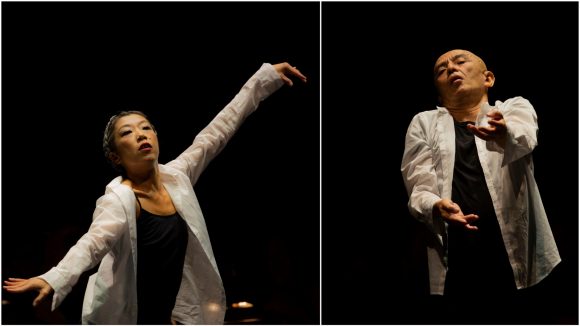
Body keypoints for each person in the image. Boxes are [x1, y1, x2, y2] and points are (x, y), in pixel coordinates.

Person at [3, 62, 307, 324]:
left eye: (145, 128)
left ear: (156, 137)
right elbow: (91, 244)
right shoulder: (119, 200)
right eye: (127, 133)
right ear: (115, 157)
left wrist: (264, 79)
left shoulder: (177, 176)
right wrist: (53, 277)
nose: (140, 135)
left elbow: (217, 132)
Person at [401, 49, 560, 323]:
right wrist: (436, 205)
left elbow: (525, 135)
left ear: (488, 78)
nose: (451, 68)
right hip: (459, 258)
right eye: (441, 69)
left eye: (460, 62)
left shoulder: (512, 109)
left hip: (518, 255)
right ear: (439, 93)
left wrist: (504, 131)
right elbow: (418, 184)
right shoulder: (423, 123)